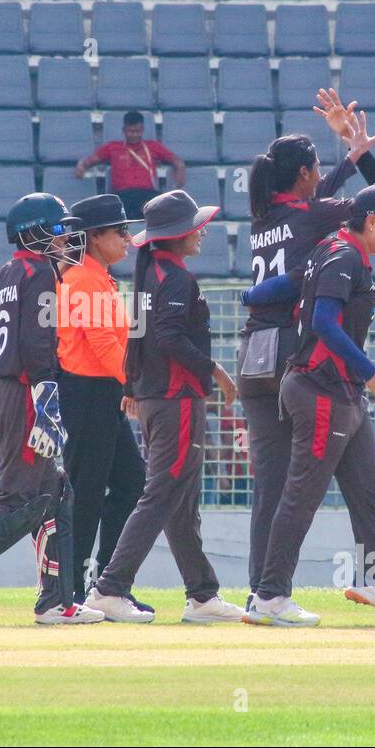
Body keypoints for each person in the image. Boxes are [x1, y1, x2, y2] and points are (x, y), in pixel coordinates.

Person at [238, 103, 375, 610]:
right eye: (318, 170)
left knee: (281, 487)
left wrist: (352, 156)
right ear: (303, 174)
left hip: (253, 351)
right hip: (297, 355)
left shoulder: (264, 217)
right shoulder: (333, 233)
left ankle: (274, 589)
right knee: (305, 487)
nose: (323, 177)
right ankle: (275, 594)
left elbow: (331, 206)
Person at [0, 193, 105, 625]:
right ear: (32, 233)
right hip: (25, 390)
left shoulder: (1, 278)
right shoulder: (38, 274)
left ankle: (57, 601)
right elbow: (36, 343)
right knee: (20, 499)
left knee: (56, 493)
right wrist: (46, 400)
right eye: (56, 229)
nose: (65, 237)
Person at [85, 190, 245, 624]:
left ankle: (202, 596)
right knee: (162, 494)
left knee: (180, 500)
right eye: (196, 226)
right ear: (177, 235)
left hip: (157, 399)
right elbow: (171, 338)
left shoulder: (150, 274)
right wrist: (217, 371)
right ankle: (110, 587)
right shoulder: (175, 279)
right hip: (176, 402)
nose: (203, 231)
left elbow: (141, 336)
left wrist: (134, 387)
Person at [54, 194, 151, 609]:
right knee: (88, 491)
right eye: (120, 231)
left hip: (101, 391)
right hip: (87, 392)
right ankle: (72, 589)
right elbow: (103, 345)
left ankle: (102, 581)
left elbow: (113, 344)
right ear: (94, 237)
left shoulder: (96, 277)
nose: (127, 239)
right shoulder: (85, 279)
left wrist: (127, 385)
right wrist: (136, 386)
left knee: (128, 483)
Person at [73, 111, 185, 220]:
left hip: (146, 195)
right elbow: (89, 161)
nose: (135, 134)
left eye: (138, 131)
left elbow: (176, 160)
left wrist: (180, 169)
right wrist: (81, 166)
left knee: (162, 207)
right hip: (122, 195)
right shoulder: (112, 147)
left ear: (143, 130)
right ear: (124, 131)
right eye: (131, 131)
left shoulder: (153, 146)